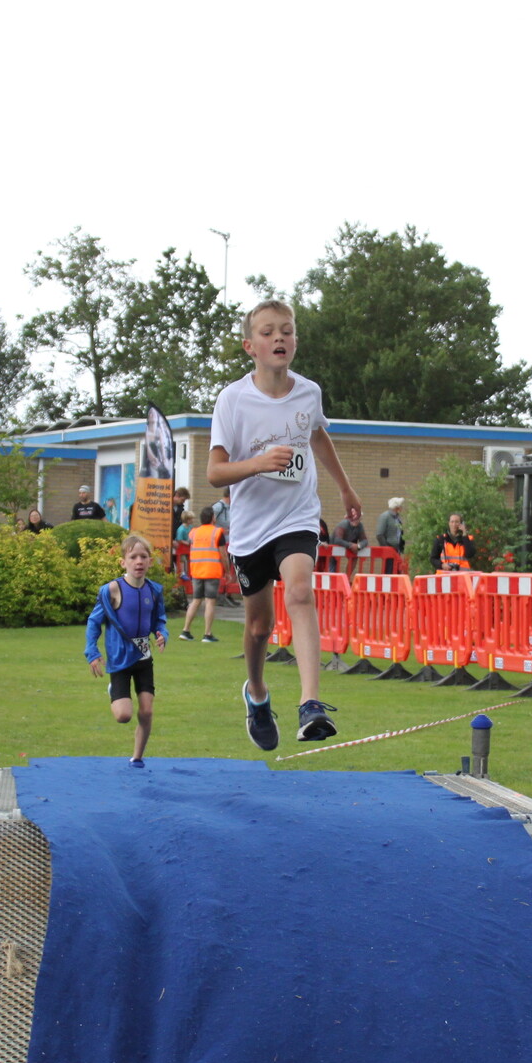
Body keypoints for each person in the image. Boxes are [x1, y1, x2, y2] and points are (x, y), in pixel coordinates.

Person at [210, 298, 361, 747]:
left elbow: (317, 434)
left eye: (287, 331)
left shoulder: (308, 392)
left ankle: (310, 703)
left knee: (300, 591)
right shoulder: (233, 400)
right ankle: (256, 693)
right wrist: (257, 463)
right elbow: (215, 473)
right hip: (251, 527)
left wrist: (346, 488)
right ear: (249, 346)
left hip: (297, 515)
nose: (279, 338)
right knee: (259, 627)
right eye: (268, 332)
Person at [84, 534, 168, 767]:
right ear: (123, 562)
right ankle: (115, 689)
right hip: (120, 659)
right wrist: (92, 652)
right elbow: (94, 622)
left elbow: (160, 621)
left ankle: (137, 757)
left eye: (144, 556)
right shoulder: (112, 590)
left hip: (144, 658)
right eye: (133, 557)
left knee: (147, 711)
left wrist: (163, 634)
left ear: (150, 561)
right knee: (123, 716)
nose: (139, 561)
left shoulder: (154, 591)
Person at [182, 507, 227, 642]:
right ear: (213, 517)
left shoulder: (193, 532)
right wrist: (228, 570)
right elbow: (223, 554)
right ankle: (207, 634)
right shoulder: (217, 532)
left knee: (196, 601)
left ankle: (185, 630)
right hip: (212, 570)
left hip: (196, 570)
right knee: (210, 602)